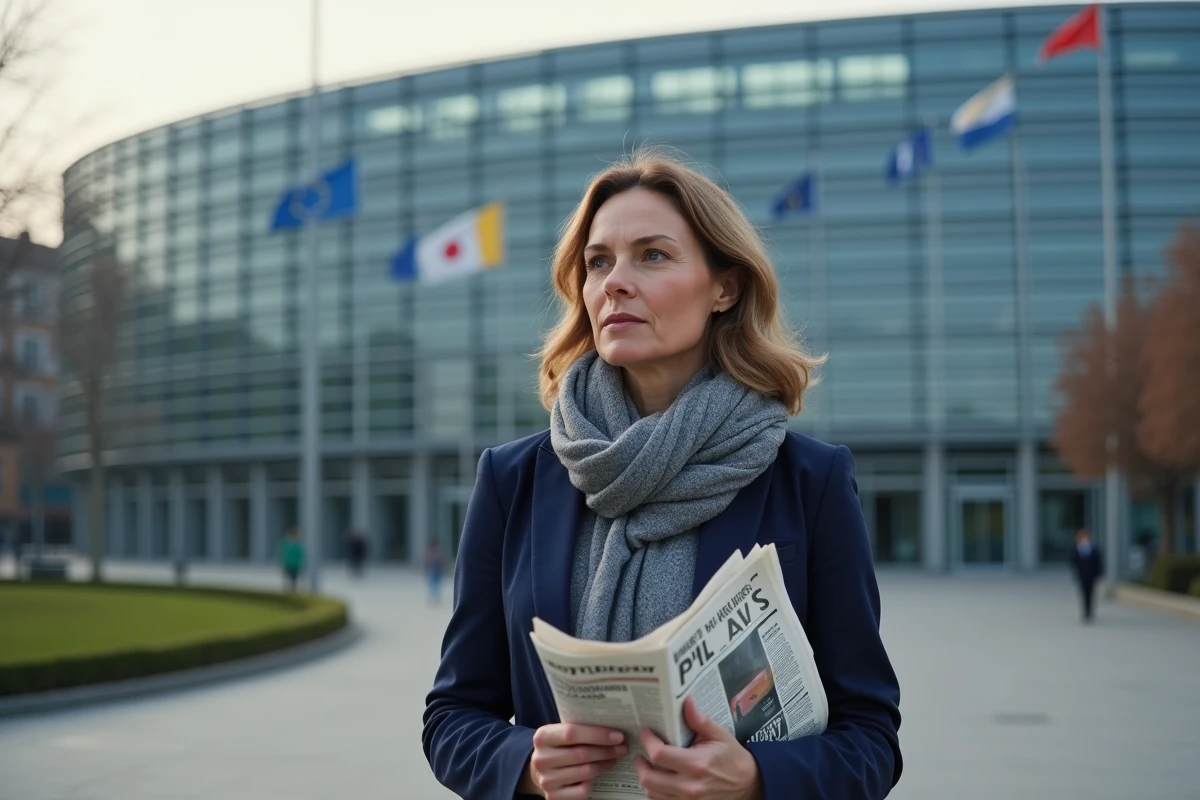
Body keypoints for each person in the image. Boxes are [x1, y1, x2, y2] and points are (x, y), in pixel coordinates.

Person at [422, 150, 901, 800]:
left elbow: (870, 737)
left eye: (652, 255)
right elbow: (451, 717)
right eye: (598, 262)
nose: (616, 282)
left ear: (724, 287)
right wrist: (526, 766)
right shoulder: (513, 480)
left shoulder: (809, 480)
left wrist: (759, 779)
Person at [1070, 528, 1104, 623]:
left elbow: (1099, 563)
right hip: (1082, 576)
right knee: (1084, 594)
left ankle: (1090, 612)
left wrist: (1099, 574)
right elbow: (1074, 564)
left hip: (1092, 576)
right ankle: (1085, 612)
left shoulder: (1094, 550)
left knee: (1091, 594)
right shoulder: (1076, 550)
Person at [279, 527, 305, 592]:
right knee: (287, 579)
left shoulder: (298, 543)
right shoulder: (286, 543)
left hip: (295, 565)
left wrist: (302, 564)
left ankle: (293, 590)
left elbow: (301, 555)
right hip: (288, 564)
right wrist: (281, 562)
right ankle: (287, 590)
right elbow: (282, 553)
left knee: (294, 580)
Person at [423, 537, 446, 604]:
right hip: (436, 569)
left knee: (433, 583)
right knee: (435, 583)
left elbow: (425, 560)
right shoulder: (439, 550)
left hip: (434, 569)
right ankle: (435, 596)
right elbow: (443, 559)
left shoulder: (430, 550)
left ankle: (434, 596)